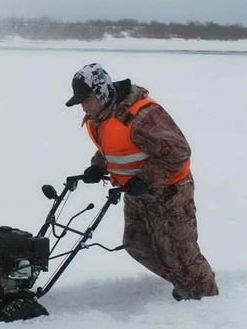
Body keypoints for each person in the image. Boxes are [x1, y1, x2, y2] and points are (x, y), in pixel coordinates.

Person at [65, 62, 218, 301]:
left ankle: (205, 302)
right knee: (137, 245)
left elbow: (179, 152)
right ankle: (187, 283)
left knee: (179, 253)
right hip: (136, 192)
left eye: (87, 100)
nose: (84, 106)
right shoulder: (101, 117)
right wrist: (98, 167)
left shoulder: (143, 115)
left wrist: (144, 178)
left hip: (169, 192)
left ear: (102, 93)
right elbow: (116, 147)